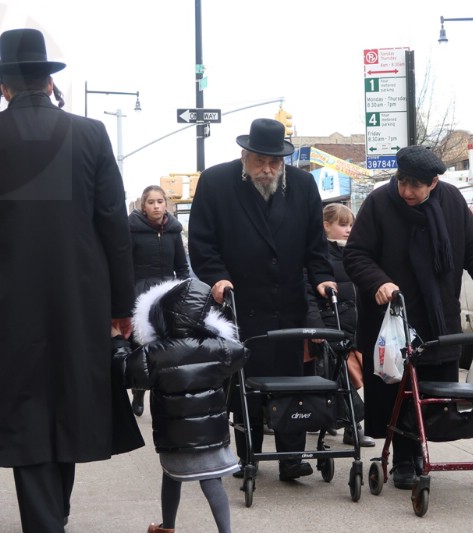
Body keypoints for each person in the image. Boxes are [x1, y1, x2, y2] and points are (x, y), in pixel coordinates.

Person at [0, 28, 141, 532]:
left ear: (6, 85)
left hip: (4, 305)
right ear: (48, 82)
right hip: (78, 300)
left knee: (26, 414)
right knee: (66, 405)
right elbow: (114, 228)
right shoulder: (91, 134)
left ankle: (48, 521)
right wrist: (122, 306)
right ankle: (53, 516)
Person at [343, 145, 473, 490]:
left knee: (432, 390)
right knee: (398, 387)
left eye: (415, 185)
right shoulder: (379, 203)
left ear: (433, 183)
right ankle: (403, 457)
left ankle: (420, 451)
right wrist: (379, 282)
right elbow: (355, 254)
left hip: (437, 315)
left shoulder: (451, 201)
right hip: (392, 316)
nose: (406, 191)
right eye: (402, 182)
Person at [188, 118, 337, 481]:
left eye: (274, 161)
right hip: (241, 300)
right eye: (260, 161)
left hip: (288, 301)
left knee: (292, 379)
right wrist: (217, 277)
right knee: (246, 382)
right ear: (245, 155)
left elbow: (315, 245)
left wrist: (323, 278)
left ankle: (291, 458)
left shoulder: (302, 184)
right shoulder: (216, 182)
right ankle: (248, 455)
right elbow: (202, 243)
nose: (267, 168)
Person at [123, 278, 248, 533]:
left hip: (174, 433)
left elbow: (128, 372)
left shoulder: (154, 352)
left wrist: (118, 346)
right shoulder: (217, 348)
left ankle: (167, 527)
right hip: (210, 432)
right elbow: (241, 353)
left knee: (171, 474)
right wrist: (217, 329)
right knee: (211, 480)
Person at [304, 203, 374, 448]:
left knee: (350, 377)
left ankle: (333, 420)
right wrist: (315, 325)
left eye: (351, 224)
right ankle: (354, 425)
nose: (349, 229)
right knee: (341, 376)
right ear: (325, 226)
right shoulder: (318, 255)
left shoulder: (352, 252)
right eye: (343, 224)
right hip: (330, 324)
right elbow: (308, 292)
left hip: (353, 324)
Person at [128, 185, 190, 417]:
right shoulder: (132, 230)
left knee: (167, 345)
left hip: (167, 293)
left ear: (166, 204)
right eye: (151, 202)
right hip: (141, 293)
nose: (156, 206)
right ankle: (139, 390)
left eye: (160, 201)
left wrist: (184, 291)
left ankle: (164, 393)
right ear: (143, 206)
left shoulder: (173, 231)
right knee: (142, 345)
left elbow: (182, 267)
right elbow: (126, 266)